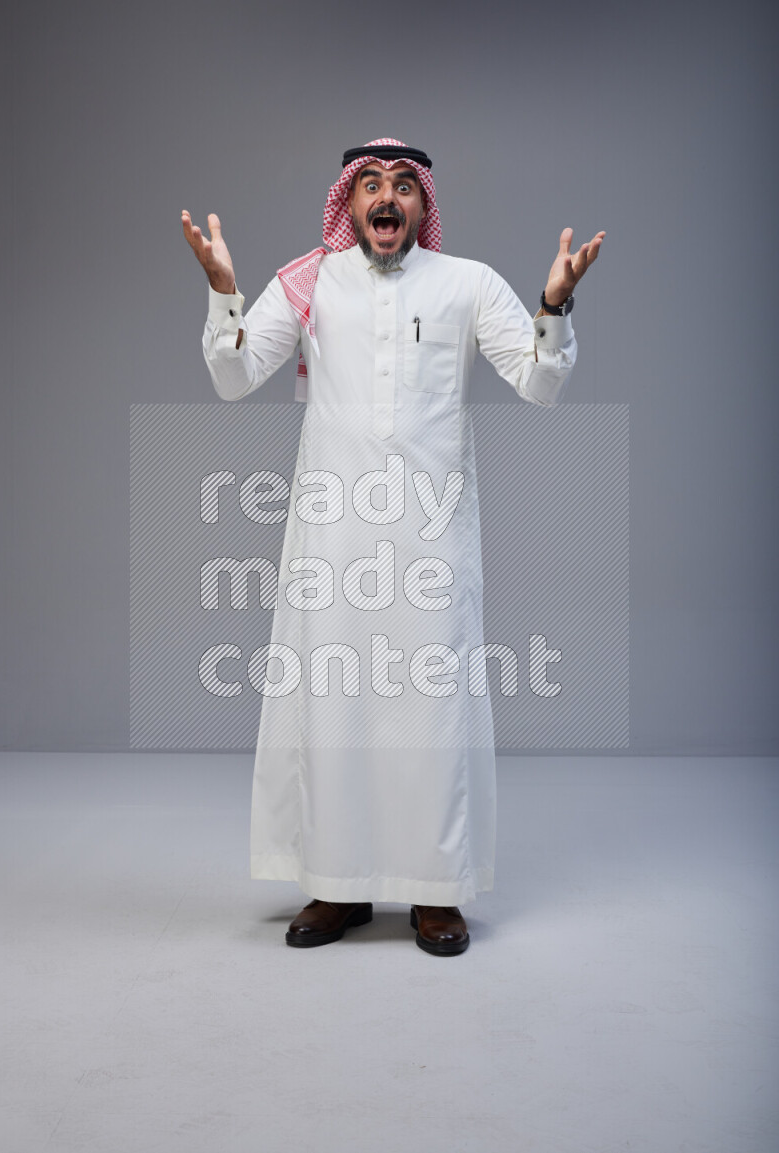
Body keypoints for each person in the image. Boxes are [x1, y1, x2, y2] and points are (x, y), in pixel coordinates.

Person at [182, 138, 604, 957]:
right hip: (331, 533)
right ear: (350, 201)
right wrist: (222, 287)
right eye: (370, 184)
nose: (386, 197)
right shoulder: (311, 280)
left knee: (429, 708)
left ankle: (434, 893)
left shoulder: (467, 284)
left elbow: (539, 381)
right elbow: (235, 377)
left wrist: (554, 305)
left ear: (422, 206)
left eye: (403, 186)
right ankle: (338, 885)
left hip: (432, 537)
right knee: (333, 704)